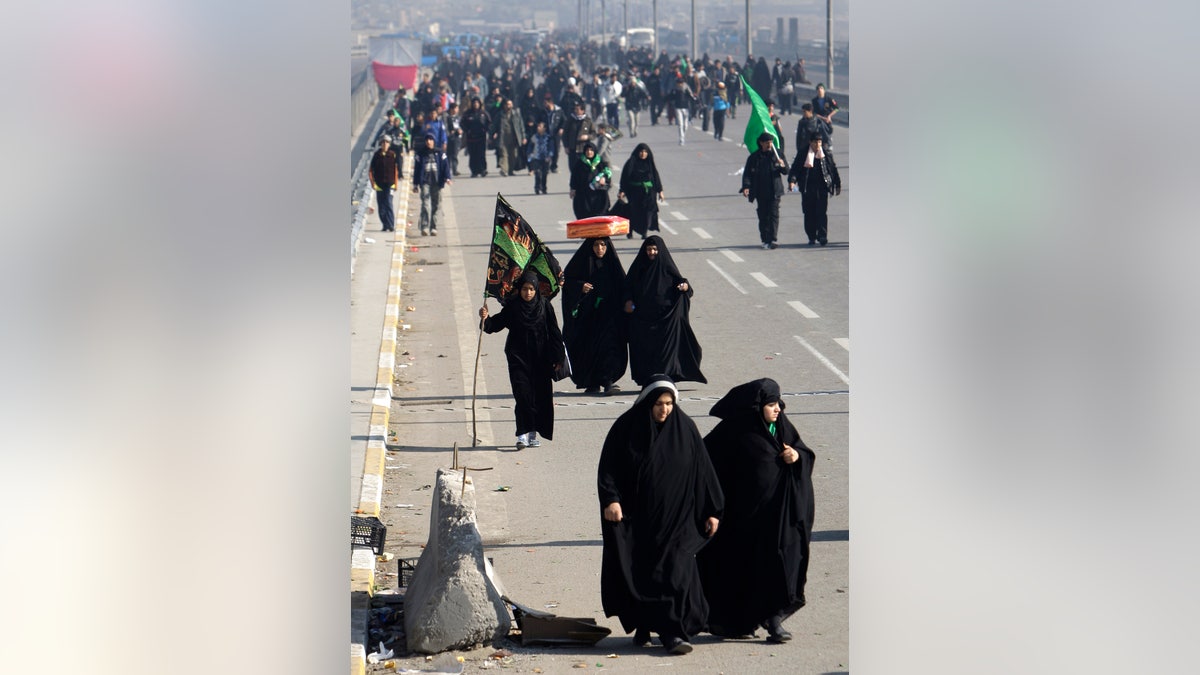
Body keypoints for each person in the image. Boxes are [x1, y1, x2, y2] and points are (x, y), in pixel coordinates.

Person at [597, 376, 724, 655]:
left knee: (676, 572)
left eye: (668, 403)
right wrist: (611, 499)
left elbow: (703, 472)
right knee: (643, 573)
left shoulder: (685, 428)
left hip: (679, 519)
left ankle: (672, 633)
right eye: (658, 404)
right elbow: (609, 468)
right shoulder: (626, 429)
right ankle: (645, 623)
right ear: (647, 403)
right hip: (639, 519)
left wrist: (712, 510)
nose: (664, 410)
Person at [696, 378, 815, 644]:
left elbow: (805, 452)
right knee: (742, 571)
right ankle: (739, 623)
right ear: (757, 406)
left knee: (779, 564)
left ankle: (774, 621)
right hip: (741, 520)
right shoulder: (733, 432)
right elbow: (703, 463)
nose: (777, 410)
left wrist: (796, 457)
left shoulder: (782, 428)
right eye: (771, 404)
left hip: (778, 518)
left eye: (779, 404)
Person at [478, 271, 566, 450]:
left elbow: (554, 332)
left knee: (539, 398)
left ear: (536, 290)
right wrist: (485, 319)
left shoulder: (544, 306)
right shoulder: (513, 307)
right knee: (523, 395)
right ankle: (522, 434)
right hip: (518, 358)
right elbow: (496, 324)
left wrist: (558, 357)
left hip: (541, 359)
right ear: (519, 290)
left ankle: (533, 432)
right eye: (525, 289)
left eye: (531, 289)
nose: (528, 293)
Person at [623, 236, 706, 386]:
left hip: (666, 320)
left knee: (665, 352)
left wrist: (684, 286)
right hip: (642, 320)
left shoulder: (667, 267)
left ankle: (665, 379)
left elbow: (683, 283)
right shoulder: (638, 269)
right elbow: (627, 288)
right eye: (649, 249)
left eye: (655, 249)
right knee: (645, 352)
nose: (652, 252)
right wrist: (628, 301)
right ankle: (648, 379)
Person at [561, 237, 627, 395]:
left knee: (609, 347)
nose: (600, 248)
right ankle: (592, 381)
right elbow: (566, 281)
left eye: (603, 245)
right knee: (588, 348)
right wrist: (580, 286)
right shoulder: (581, 262)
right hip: (587, 317)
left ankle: (607, 381)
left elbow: (624, 285)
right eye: (596, 245)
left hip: (609, 315)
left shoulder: (612, 265)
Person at [788, 133, 842, 246]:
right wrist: (792, 181)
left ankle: (822, 236)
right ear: (810, 142)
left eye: (819, 142)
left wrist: (837, 184)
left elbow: (832, 168)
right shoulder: (803, 154)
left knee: (821, 213)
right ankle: (811, 236)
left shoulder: (825, 154)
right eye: (815, 142)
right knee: (809, 213)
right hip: (807, 188)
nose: (818, 145)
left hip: (822, 187)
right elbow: (795, 169)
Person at [740, 133, 789, 249]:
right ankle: (765, 238)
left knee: (774, 215)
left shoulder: (778, 155)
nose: (769, 145)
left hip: (774, 191)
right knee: (763, 216)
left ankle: (772, 239)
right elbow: (747, 174)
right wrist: (746, 187)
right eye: (767, 143)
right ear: (761, 143)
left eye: (771, 142)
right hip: (760, 191)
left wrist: (782, 165)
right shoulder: (754, 158)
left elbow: (786, 171)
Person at [618, 143, 664, 240]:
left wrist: (660, 191)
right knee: (635, 213)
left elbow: (655, 177)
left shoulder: (650, 163)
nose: (643, 154)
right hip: (635, 193)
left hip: (649, 193)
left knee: (648, 212)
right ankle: (630, 231)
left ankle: (644, 232)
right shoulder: (631, 163)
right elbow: (625, 177)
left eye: (645, 152)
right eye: (641, 152)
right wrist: (622, 190)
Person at [412, 132, 452, 236]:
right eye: (427, 140)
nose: (428, 142)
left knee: (436, 205)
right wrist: (415, 184)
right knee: (426, 205)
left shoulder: (440, 153)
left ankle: (433, 227)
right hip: (425, 182)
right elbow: (417, 170)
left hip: (436, 182)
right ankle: (425, 226)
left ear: (434, 141)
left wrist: (447, 178)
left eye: (430, 140)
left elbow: (445, 166)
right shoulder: (420, 154)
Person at [569, 141, 612, 220]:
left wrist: (604, 178)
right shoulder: (580, 163)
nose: (589, 152)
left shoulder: (600, 162)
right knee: (584, 216)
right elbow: (574, 177)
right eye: (587, 150)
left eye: (591, 150)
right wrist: (573, 189)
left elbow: (607, 173)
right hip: (583, 195)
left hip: (598, 195)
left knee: (600, 217)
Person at [369, 135, 400, 233]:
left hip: (390, 184)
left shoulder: (392, 155)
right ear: (380, 144)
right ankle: (385, 224)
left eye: (387, 142)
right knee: (381, 206)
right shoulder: (376, 155)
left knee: (389, 204)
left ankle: (391, 225)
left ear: (389, 144)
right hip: (379, 185)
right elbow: (371, 170)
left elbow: (396, 170)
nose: (385, 144)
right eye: (383, 142)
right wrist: (372, 183)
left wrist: (396, 183)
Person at [494, 98, 526, 176]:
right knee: (504, 154)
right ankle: (504, 170)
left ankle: (510, 170)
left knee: (513, 155)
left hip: (514, 137)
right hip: (503, 137)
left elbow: (521, 126)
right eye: (508, 104)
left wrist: (523, 137)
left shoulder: (516, 114)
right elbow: (494, 125)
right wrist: (493, 133)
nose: (509, 106)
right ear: (504, 105)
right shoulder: (500, 115)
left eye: (510, 104)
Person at [461, 97, 491, 177]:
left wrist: (486, 130)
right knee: (473, 155)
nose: (476, 104)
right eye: (474, 103)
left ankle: (483, 170)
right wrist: (467, 130)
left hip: (481, 137)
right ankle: (474, 171)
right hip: (471, 138)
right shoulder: (467, 113)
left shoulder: (484, 113)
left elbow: (489, 123)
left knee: (481, 154)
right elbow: (462, 123)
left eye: (477, 103)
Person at [526, 120, 553, 195]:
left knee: (544, 174)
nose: (538, 128)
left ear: (544, 128)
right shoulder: (534, 137)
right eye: (538, 126)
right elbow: (530, 147)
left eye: (540, 126)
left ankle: (544, 188)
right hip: (536, 158)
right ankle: (537, 188)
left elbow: (551, 147)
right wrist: (529, 154)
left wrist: (550, 155)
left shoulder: (548, 138)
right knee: (537, 173)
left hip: (545, 158)